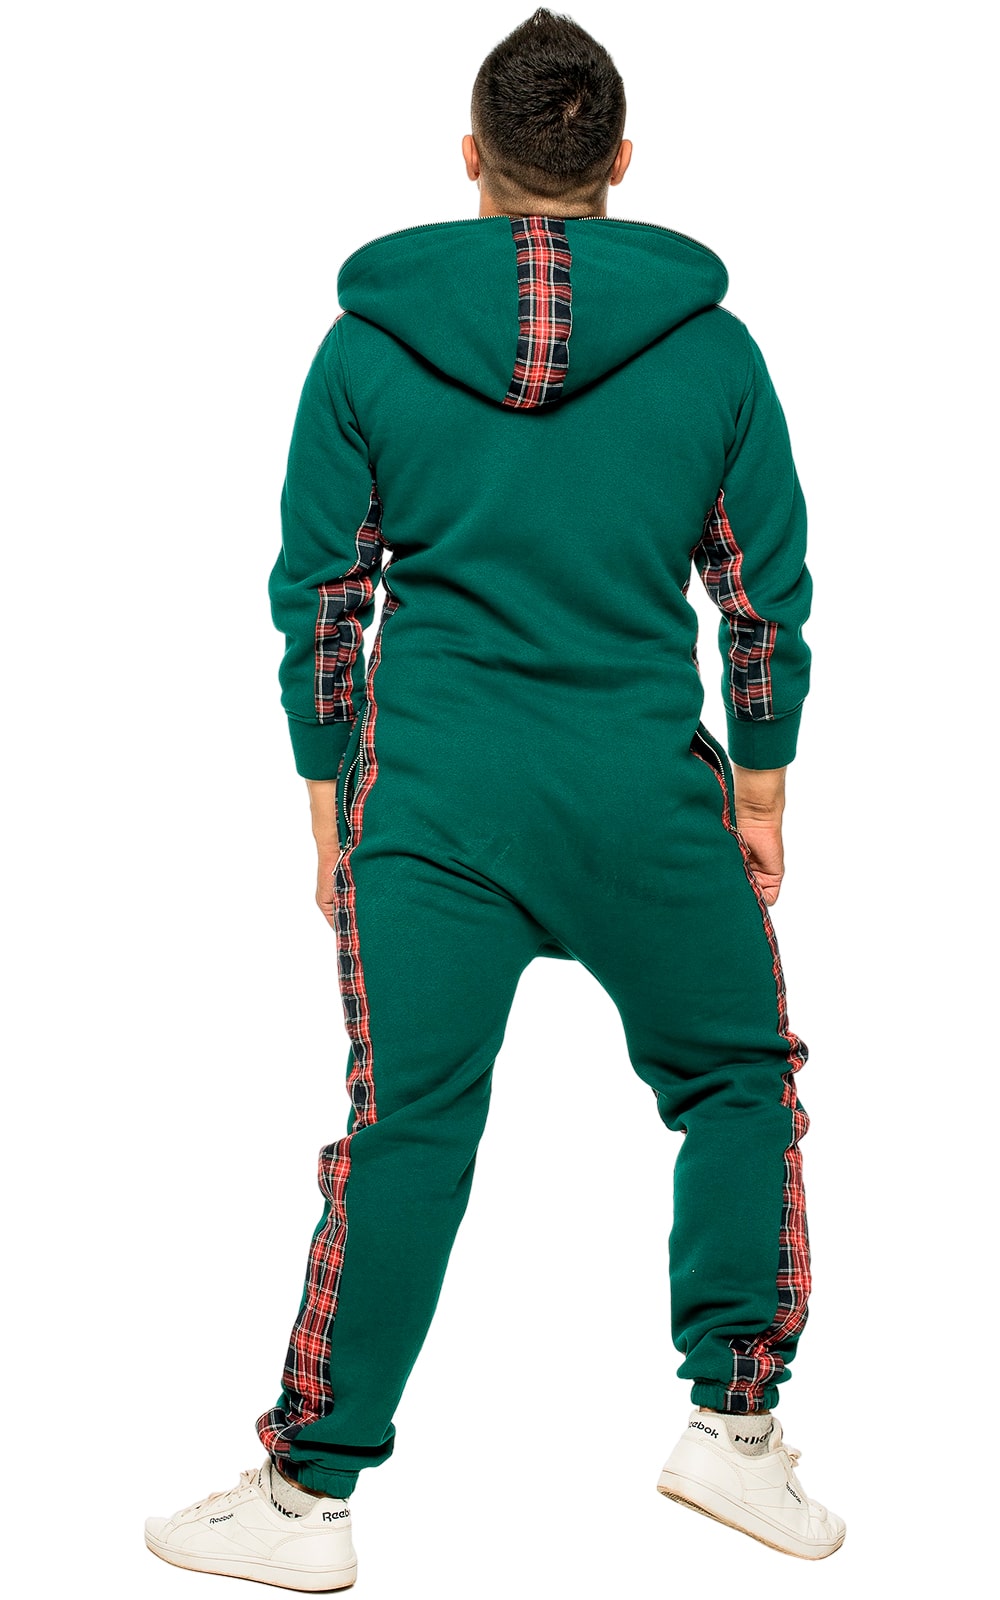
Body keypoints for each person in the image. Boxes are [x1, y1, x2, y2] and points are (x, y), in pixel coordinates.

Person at [144, 7, 845, 1584]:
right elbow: (761, 602)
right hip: (640, 797)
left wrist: (332, 807)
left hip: (437, 801)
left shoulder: (367, 349)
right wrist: (761, 793)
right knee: (739, 1084)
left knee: (404, 1128)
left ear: (471, 157)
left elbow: (321, 599)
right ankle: (734, 1431)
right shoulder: (715, 352)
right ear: (621, 164)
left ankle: (307, 1500)